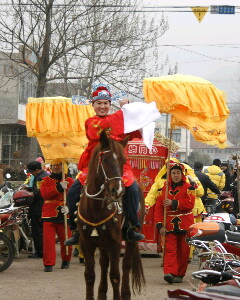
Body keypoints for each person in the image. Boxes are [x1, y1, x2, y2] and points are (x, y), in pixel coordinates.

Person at [64, 84, 160, 245]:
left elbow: (135, 130)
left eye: (106, 103)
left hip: (118, 164)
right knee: (73, 190)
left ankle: (131, 227)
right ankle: (75, 229)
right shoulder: (91, 122)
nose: (102, 106)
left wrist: (134, 114)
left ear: (110, 105)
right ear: (93, 105)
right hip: (95, 164)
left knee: (133, 188)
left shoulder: (119, 120)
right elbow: (102, 129)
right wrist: (124, 112)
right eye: (99, 103)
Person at [154, 163, 195, 284]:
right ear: (170, 175)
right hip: (169, 224)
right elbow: (158, 208)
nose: (175, 175)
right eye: (173, 173)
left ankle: (180, 274)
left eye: (178, 173)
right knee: (170, 249)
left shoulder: (190, 188)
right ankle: (170, 273)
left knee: (183, 250)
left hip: (185, 223)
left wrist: (174, 203)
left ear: (182, 174)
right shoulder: (163, 189)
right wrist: (160, 224)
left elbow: (190, 204)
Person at [40, 162, 74, 272]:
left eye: (58, 165)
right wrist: (58, 187)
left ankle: (66, 260)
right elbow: (45, 194)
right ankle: (48, 263)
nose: (55, 167)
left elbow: (75, 196)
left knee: (66, 239)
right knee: (48, 241)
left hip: (64, 212)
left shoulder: (70, 181)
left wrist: (69, 207)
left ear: (63, 166)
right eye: (53, 165)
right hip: (49, 213)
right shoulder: (45, 180)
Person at [26, 161, 49, 258]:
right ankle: (43, 251)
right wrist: (29, 189)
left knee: (37, 231)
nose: (31, 174)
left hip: (38, 209)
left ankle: (40, 252)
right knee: (42, 231)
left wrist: (28, 196)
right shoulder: (44, 175)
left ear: (37, 170)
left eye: (31, 172)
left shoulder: (40, 178)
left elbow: (39, 193)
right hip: (42, 208)